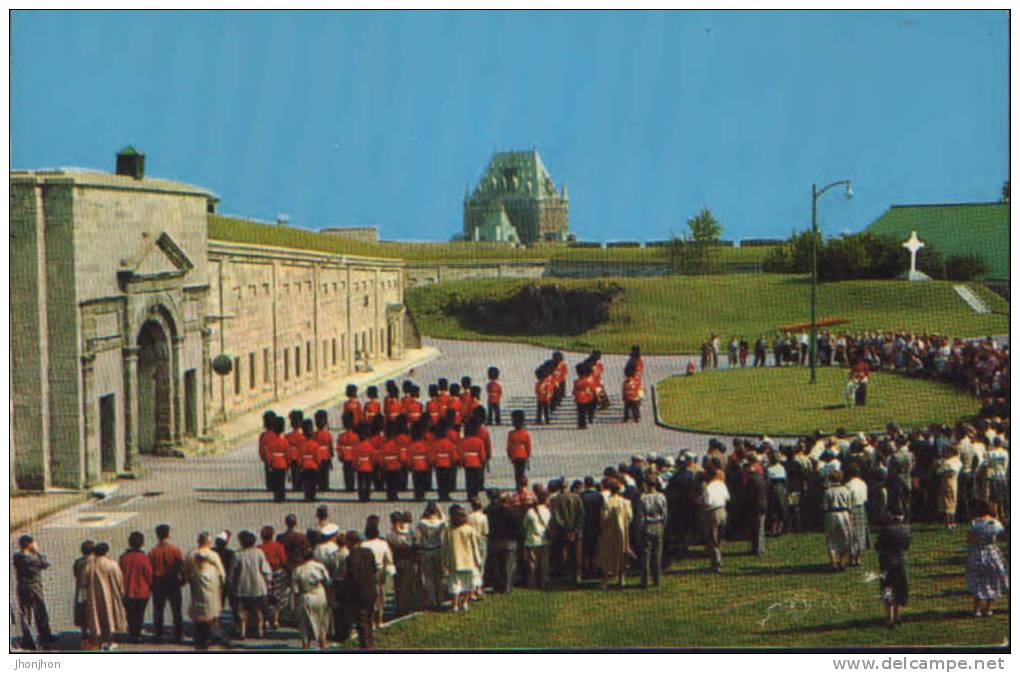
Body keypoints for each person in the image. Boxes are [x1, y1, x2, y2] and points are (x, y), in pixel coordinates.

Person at [965, 499, 1009, 618]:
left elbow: (969, 539)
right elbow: (1002, 535)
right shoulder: (995, 523)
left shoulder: (974, 523)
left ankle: (977, 610)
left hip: (977, 553)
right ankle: (989, 609)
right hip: (992, 552)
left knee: (978, 581)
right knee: (993, 579)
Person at [185, 532, 226, 650]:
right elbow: (222, 574)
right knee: (211, 613)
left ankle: (199, 639)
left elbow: (186, 573)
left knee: (198, 615)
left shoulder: (191, 554)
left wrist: (189, 579)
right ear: (209, 543)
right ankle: (210, 637)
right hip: (212, 591)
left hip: (197, 589)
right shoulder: (214, 556)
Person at [82, 542, 127, 651]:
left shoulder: (90, 565)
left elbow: (84, 582)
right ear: (106, 552)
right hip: (111, 595)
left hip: (94, 597)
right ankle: (111, 641)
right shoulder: (112, 564)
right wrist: (121, 592)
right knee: (110, 617)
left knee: (98, 617)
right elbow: (119, 579)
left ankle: (100, 642)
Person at [13, 535, 55, 649]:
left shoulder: (17, 557)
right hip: (34, 586)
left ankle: (27, 638)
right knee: (40, 611)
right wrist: (37, 551)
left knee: (26, 612)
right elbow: (45, 564)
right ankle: (45, 635)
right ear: (29, 544)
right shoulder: (33, 558)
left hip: (22, 586)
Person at [229, 530, 271, 639]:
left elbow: (233, 572)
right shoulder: (259, 553)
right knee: (259, 609)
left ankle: (242, 631)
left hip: (242, 586)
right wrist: (268, 581)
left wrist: (231, 584)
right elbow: (265, 570)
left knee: (243, 610)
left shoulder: (237, 554)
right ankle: (260, 630)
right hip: (258, 586)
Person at [874, 505, 910, 628]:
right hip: (901, 561)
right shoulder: (906, 529)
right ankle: (897, 616)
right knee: (900, 588)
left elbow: (878, 546)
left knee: (887, 589)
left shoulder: (885, 530)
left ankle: (889, 618)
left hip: (887, 562)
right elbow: (906, 546)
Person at [443, 506, 484, 612]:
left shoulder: (448, 530)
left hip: (455, 562)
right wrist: (478, 559)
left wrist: (445, 562)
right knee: (468, 584)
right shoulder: (469, 529)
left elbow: (445, 547)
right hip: (468, 561)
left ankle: (455, 605)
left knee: (455, 585)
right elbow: (475, 545)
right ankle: (465, 603)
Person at [149, 524, 185, 642]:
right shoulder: (175, 550)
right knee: (176, 609)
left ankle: (158, 633)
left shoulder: (153, 552)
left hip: (159, 582)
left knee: (158, 609)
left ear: (157, 535)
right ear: (168, 534)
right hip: (173, 581)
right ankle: (178, 633)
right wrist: (183, 581)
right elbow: (181, 567)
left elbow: (150, 570)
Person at [290, 547, 332, 649]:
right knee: (321, 623)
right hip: (319, 595)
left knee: (304, 626)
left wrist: (293, 607)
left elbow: (295, 590)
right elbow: (328, 582)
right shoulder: (320, 566)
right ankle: (323, 646)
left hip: (305, 596)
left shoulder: (297, 570)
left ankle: (305, 647)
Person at [341, 532, 377, 649]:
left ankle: (366, 646)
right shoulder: (369, 552)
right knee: (369, 620)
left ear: (350, 542)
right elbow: (374, 569)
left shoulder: (351, 558)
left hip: (359, 593)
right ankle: (370, 642)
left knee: (362, 623)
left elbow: (352, 578)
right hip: (371, 590)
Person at [596, 478, 633, 590]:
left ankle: (605, 581)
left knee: (607, 555)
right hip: (623, 532)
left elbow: (604, 518)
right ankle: (622, 579)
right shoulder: (626, 502)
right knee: (622, 553)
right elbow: (630, 517)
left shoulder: (607, 502)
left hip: (609, 532)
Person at [361, 515, 396, 628]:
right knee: (380, 597)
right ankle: (379, 620)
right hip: (379, 571)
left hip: (367, 573)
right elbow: (389, 559)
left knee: (369, 599)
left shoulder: (363, 545)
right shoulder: (383, 544)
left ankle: (370, 621)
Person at [118, 531, 153, 643]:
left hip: (128, 591)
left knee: (130, 613)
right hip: (142, 591)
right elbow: (149, 574)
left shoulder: (124, 558)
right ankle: (137, 633)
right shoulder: (144, 558)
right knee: (139, 614)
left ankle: (131, 632)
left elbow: (120, 574)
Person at [549, 479, 585, 585]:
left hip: (563, 532)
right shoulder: (577, 497)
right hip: (576, 532)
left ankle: (568, 575)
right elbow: (581, 514)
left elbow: (556, 517)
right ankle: (578, 575)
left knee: (566, 554)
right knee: (577, 554)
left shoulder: (556, 499)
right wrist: (575, 530)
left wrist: (566, 530)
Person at [636, 473, 667, 588]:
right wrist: (663, 525)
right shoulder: (661, 497)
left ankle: (644, 580)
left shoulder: (643, 498)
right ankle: (657, 579)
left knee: (646, 554)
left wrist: (639, 530)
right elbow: (665, 513)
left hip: (647, 525)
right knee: (657, 554)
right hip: (658, 524)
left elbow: (640, 516)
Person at [386, 512, 418, 615]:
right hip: (398, 559)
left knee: (408, 583)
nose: (396, 523)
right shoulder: (390, 533)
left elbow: (415, 542)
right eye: (394, 521)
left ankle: (408, 605)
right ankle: (401, 607)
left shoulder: (409, 530)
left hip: (408, 558)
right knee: (399, 584)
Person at [417, 502, 447, 608]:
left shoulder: (422, 523)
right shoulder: (440, 522)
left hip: (426, 550)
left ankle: (431, 599)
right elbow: (445, 520)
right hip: (437, 549)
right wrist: (441, 510)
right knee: (439, 575)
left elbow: (418, 528)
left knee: (428, 576)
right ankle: (440, 597)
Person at [257, 526, 288, 631]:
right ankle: (275, 620)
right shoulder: (278, 546)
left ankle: (265, 620)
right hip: (277, 572)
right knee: (277, 596)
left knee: (265, 597)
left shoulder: (259, 548)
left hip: (263, 574)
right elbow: (283, 560)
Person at [823, 470, 853, 571]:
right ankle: (842, 561)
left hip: (831, 514)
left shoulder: (828, 491)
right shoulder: (846, 490)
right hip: (844, 513)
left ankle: (833, 562)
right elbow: (849, 505)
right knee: (845, 537)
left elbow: (825, 506)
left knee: (831, 538)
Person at [522, 487, 552, 589]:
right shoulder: (548, 511)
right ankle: (544, 581)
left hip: (532, 539)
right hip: (544, 539)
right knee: (544, 563)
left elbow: (525, 525)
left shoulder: (530, 511)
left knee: (532, 563)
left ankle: (532, 582)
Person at [701, 466, 729, 572]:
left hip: (712, 512)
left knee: (712, 538)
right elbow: (727, 497)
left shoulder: (708, 488)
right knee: (719, 538)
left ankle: (716, 563)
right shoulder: (722, 484)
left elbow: (707, 502)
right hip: (723, 510)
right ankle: (719, 559)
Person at [845, 464, 870, 567]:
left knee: (851, 534)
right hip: (862, 507)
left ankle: (852, 558)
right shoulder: (863, 484)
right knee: (860, 534)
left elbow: (848, 499)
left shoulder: (848, 485)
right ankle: (858, 557)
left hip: (852, 508)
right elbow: (865, 498)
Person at [429, 419, 459, 501]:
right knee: (446, 480)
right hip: (447, 463)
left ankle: (441, 495)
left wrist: (432, 462)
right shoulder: (448, 443)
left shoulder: (435, 443)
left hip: (438, 463)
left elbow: (432, 453)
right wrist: (454, 461)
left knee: (440, 480)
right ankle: (445, 494)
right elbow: (452, 453)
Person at [466, 498, 490, 599]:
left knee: (473, 564)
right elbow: (486, 531)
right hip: (481, 540)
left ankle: (472, 588)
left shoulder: (469, 517)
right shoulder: (483, 517)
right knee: (481, 565)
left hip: (472, 541)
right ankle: (478, 587)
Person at [72, 540, 95, 645]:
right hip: (92, 589)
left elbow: (75, 573)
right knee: (92, 610)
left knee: (82, 610)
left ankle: (84, 632)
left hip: (80, 590)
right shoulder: (94, 562)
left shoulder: (78, 562)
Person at [744, 457, 767, 557]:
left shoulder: (752, 479)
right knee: (759, 528)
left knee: (756, 528)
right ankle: (759, 548)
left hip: (755, 505)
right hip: (761, 504)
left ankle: (758, 549)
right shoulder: (761, 477)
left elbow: (749, 494)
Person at [266, 415, 290, 502]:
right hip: (282, 463)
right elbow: (287, 454)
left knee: (276, 481)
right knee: (281, 481)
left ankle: (276, 496)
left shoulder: (271, 442)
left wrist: (269, 463)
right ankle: (282, 496)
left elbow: (269, 453)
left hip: (274, 463)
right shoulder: (285, 442)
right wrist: (288, 463)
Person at [336, 410, 359, 493]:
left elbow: (339, 447)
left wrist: (340, 456)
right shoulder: (355, 436)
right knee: (352, 472)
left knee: (346, 472)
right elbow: (357, 447)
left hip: (345, 455)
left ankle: (348, 487)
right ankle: (351, 486)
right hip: (352, 455)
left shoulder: (341, 436)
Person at [507, 410, 532, 486]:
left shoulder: (511, 434)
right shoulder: (526, 433)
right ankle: (521, 484)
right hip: (523, 454)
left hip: (515, 454)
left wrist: (510, 455)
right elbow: (528, 446)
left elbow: (509, 446)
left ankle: (518, 484)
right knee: (522, 471)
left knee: (517, 471)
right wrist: (528, 454)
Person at [313, 409, 333, 492]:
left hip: (318, 454)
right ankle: (325, 486)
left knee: (319, 471)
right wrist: (331, 455)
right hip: (326, 454)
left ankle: (320, 485)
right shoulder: (328, 434)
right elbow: (330, 445)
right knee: (325, 472)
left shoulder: (315, 434)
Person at [259, 411, 277, 491]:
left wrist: (263, 457)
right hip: (277, 459)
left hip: (267, 458)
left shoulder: (263, 436)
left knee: (268, 473)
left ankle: (270, 486)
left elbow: (261, 448)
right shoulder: (277, 434)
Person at [573, 363, 595, 429]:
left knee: (580, 413)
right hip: (586, 398)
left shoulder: (576, 381)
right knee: (583, 412)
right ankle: (583, 424)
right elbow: (590, 390)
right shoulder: (587, 381)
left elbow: (574, 391)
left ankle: (580, 424)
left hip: (578, 398)